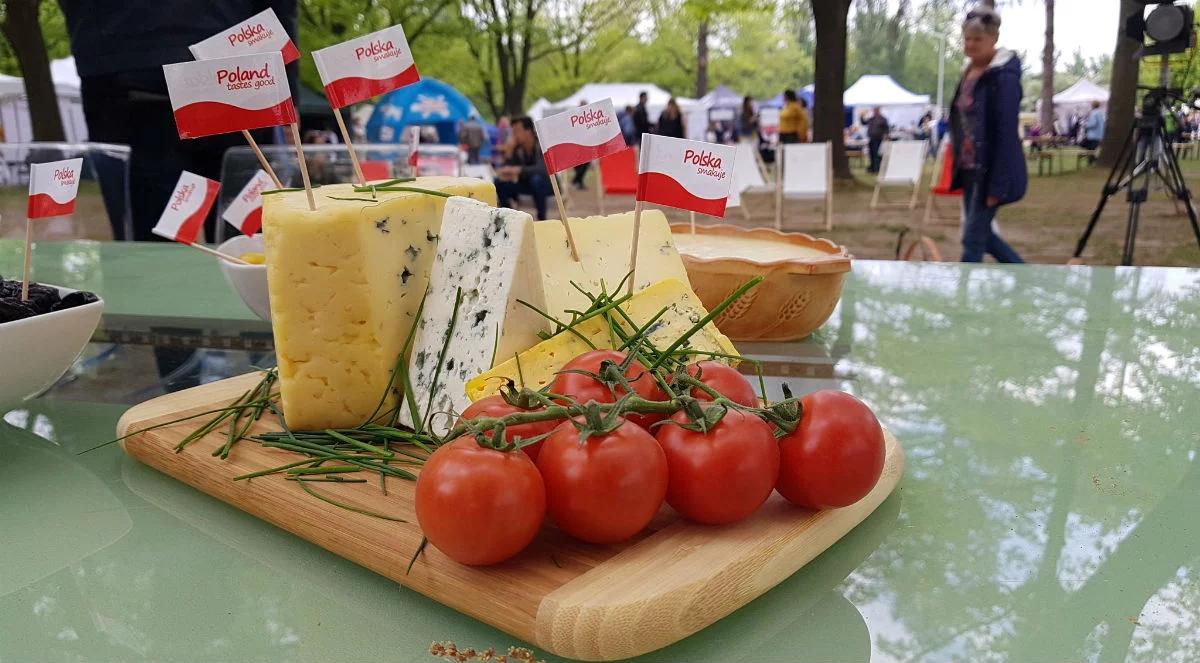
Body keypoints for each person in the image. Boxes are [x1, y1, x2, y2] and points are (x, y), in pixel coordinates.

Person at [58, 0, 299, 243]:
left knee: (153, 245)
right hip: (232, 58)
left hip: (122, 60)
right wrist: (287, 93)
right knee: (246, 242)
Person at [949, 6, 1026, 264]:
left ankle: (961, 301)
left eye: (978, 39)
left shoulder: (1003, 77)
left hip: (991, 170)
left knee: (972, 240)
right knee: (979, 235)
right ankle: (1027, 277)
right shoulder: (968, 72)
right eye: (967, 39)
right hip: (970, 167)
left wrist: (998, 184)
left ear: (994, 39)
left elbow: (1005, 131)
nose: (971, 44)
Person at [495, 117, 553, 220]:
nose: (514, 135)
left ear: (528, 131)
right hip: (526, 185)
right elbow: (509, 167)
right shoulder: (518, 149)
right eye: (513, 132)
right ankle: (509, 218)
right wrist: (509, 151)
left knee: (536, 180)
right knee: (499, 182)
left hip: (546, 186)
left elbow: (544, 169)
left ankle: (542, 219)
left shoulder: (542, 145)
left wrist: (519, 170)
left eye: (517, 131)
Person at [866, 107, 890, 174]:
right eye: (874, 110)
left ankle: (877, 169)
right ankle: (872, 168)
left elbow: (886, 128)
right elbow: (864, 122)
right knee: (871, 154)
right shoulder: (871, 118)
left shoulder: (883, 119)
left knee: (877, 154)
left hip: (878, 139)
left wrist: (886, 135)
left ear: (879, 111)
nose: (875, 112)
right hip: (871, 138)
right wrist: (862, 116)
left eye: (876, 110)